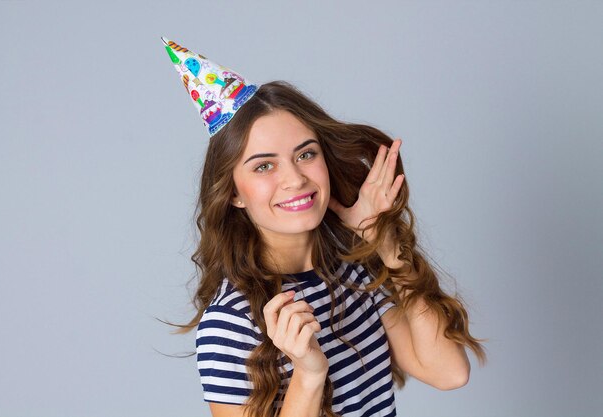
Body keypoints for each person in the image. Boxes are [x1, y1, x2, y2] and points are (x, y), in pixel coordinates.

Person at [161, 38, 486, 417]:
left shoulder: (351, 270)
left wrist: (384, 244)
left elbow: (449, 372)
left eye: (305, 154)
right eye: (264, 166)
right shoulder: (230, 323)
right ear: (234, 193)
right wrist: (309, 372)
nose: (295, 179)